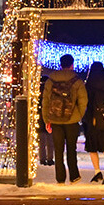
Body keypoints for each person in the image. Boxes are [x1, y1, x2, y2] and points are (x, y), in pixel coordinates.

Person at [41, 54, 87, 184]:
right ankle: (74, 176)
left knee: (58, 149)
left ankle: (60, 177)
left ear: (60, 64)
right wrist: (78, 115)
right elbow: (83, 100)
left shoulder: (51, 80)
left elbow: (46, 101)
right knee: (71, 148)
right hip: (72, 120)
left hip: (55, 119)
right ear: (72, 65)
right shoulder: (77, 80)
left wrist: (46, 119)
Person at [37, 75, 54, 166]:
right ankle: (50, 158)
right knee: (50, 141)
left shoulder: (37, 93)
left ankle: (42, 158)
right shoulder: (50, 92)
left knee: (41, 142)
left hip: (39, 118)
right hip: (49, 118)